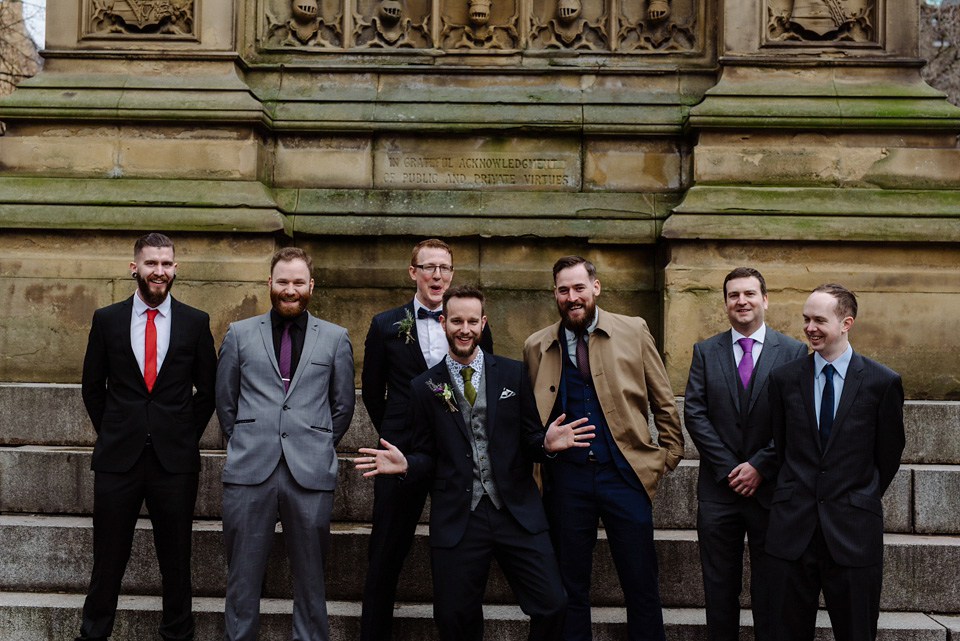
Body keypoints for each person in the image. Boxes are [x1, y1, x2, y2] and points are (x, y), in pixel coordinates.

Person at [355, 285, 594, 641]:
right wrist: (407, 465)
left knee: (553, 604)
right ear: (443, 323)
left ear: (482, 323)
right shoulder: (424, 386)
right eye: (456, 321)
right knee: (454, 618)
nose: (464, 329)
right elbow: (427, 456)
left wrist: (545, 444)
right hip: (459, 515)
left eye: (471, 321)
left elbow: (530, 438)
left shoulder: (513, 374)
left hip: (515, 510)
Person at [522, 255, 684, 641]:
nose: (572, 297)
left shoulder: (634, 330)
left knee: (641, 583)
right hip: (566, 480)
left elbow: (663, 398)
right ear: (555, 294)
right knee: (570, 588)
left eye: (579, 288)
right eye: (564, 290)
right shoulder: (536, 345)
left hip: (623, 474)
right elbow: (527, 418)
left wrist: (669, 454)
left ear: (595, 287)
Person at [77, 232, 216, 641]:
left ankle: (177, 635)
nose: (160, 271)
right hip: (118, 459)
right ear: (134, 267)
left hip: (173, 462)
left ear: (175, 268)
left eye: (166, 263)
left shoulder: (195, 321)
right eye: (152, 263)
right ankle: (93, 635)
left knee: (176, 560)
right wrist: (119, 431)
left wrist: (181, 434)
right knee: (108, 559)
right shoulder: (107, 319)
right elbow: (91, 386)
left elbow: (207, 391)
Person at [216, 247, 355, 641]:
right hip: (249, 470)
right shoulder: (239, 334)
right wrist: (245, 438)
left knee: (311, 582)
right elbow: (225, 401)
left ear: (310, 285)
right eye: (282, 282)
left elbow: (342, 406)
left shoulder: (335, 338)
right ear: (270, 284)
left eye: (297, 282)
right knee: (242, 579)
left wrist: (316, 440)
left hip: (309, 472)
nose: (289, 290)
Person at [359, 239, 492, 641]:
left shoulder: (471, 321)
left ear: (452, 274)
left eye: (444, 268)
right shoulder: (385, 325)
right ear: (413, 272)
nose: (437, 275)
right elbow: (371, 390)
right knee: (386, 550)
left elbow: (483, 381)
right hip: (401, 452)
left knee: (462, 552)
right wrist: (396, 432)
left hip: (457, 453)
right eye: (429, 267)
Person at [766, 284, 905, 641]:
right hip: (792, 529)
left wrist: (855, 496)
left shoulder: (882, 382)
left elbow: (887, 456)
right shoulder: (783, 379)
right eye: (806, 319)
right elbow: (782, 447)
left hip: (853, 531)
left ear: (846, 323)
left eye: (819, 320)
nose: (810, 327)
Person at [683, 267, 807, 641]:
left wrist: (759, 466)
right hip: (719, 492)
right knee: (719, 587)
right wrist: (730, 469)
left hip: (770, 491)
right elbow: (695, 412)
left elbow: (795, 419)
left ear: (765, 300)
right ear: (725, 304)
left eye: (750, 294)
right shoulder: (705, 351)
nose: (742, 301)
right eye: (734, 295)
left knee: (771, 590)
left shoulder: (793, 351)